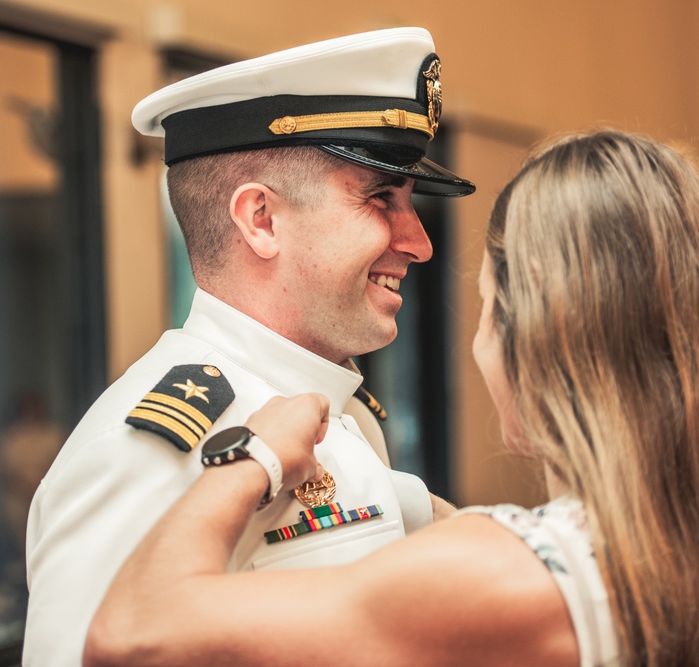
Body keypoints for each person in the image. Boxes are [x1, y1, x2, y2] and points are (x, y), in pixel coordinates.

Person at [84, 131, 699, 667]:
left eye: (486, 309)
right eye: (379, 198)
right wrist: (391, 501)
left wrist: (252, 457)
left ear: (539, 336)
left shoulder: (505, 567)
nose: (418, 243)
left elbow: (131, 629)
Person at [23, 27, 474, 665]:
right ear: (260, 219)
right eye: (380, 199)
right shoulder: (153, 450)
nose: (419, 242)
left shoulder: (334, 411)